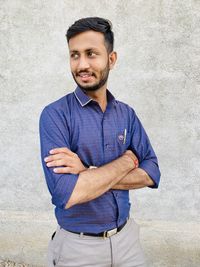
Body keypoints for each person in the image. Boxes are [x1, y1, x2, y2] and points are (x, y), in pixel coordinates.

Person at [39, 17, 161, 267]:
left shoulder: (126, 114)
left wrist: (87, 173)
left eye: (91, 54)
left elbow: (152, 173)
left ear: (111, 59)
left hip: (128, 241)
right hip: (78, 249)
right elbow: (68, 193)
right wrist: (127, 160)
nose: (81, 64)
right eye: (74, 55)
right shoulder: (55, 115)